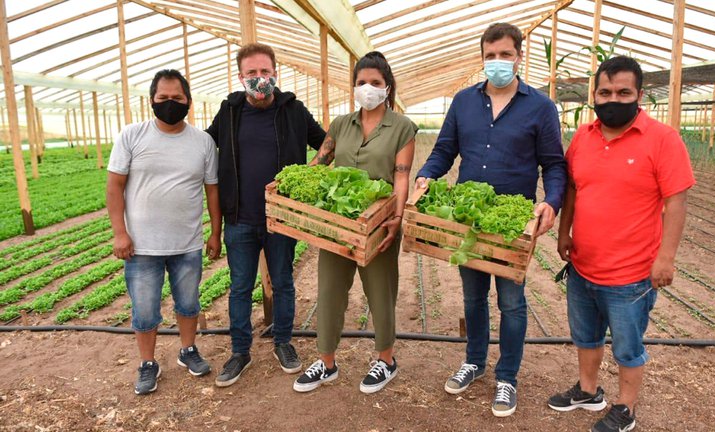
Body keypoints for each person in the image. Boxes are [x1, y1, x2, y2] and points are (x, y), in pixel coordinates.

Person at [415, 23, 566, 417]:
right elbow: (444, 150)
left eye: (505, 54)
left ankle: (507, 378)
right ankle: (474, 361)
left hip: (512, 221)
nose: (498, 62)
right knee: (472, 296)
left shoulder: (540, 107)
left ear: (519, 56)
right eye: (490, 55)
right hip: (470, 217)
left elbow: (553, 165)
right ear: (482, 57)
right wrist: (426, 174)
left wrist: (551, 201)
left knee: (512, 302)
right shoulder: (464, 101)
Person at [547, 55, 695, 432]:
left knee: (627, 346)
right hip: (583, 264)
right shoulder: (583, 136)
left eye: (623, 92)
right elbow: (574, 190)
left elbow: (676, 201)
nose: (613, 99)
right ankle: (587, 390)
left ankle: (625, 408)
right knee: (585, 336)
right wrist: (565, 232)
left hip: (631, 275)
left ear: (639, 94)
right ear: (594, 94)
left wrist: (667, 258)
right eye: (605, 92)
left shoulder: (662, 139)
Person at [293, 51, 417, 394]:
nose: (367, 88)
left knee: (380, 290)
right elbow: (319, 163)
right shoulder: (340, 125)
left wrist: (397, 214)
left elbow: (402, 176)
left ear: (387, 87)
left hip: (379, 222)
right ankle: (327, 363)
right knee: (330, 289)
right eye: (361, 82)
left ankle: (386, 360)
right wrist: (290, 185)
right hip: (338, 222)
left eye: (375, 83)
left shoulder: (402, 128)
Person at [206, 43, 326, 387]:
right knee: (241, 287)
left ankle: (284, 343)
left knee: (284, 282)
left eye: (265, 72)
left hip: (281, 218)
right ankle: (240, 351)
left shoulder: (293, 110)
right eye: (252, 73)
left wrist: (304, 177)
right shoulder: (229, 111)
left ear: (275, 73)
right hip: (240, 217)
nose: (260, 79)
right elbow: (202, 146)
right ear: (241, 77)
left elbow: (327, 145)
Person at [106, 69, 221, 395]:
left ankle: (187, 350)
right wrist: (120, 233)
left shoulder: (203, 142)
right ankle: (147, 363)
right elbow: (114, 186)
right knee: (144, 310)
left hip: (187, 243)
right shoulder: (132, 135)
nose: (170, 104)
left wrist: (215, 232)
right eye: (163, 99)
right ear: (152, 101)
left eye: (177, 99)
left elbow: (212, 190)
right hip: (141, 246)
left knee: (188, 303)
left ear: (188, 101)